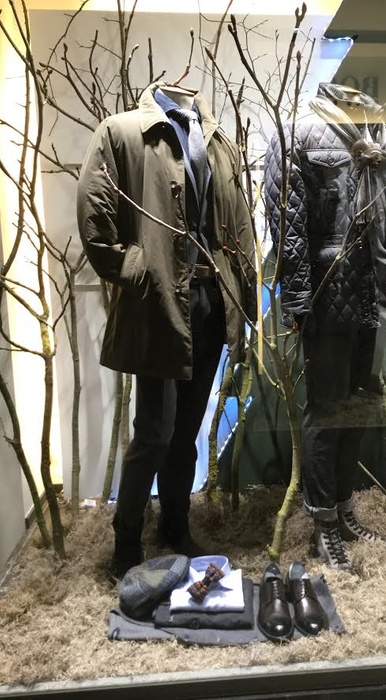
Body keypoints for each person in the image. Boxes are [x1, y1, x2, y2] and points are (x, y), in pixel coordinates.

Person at [77, 82, 256, 578]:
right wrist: (135, 269)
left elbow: (239, 223)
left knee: (186, 432)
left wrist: (245, 297)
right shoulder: (122, 132)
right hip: (158, 303)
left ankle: (175, 527)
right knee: (154, 432)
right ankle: (126, 539)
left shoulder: (218, 141)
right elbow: (94, 213)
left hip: (211, 301)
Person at [265, 83, 386, 570]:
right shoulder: (300, 134)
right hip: (329, 293)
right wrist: (298, 297)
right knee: (326, 409)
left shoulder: (385, 136)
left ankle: (345, 509)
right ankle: (323, 521)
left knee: (358, 406)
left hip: (376, 290)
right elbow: (287, 223)